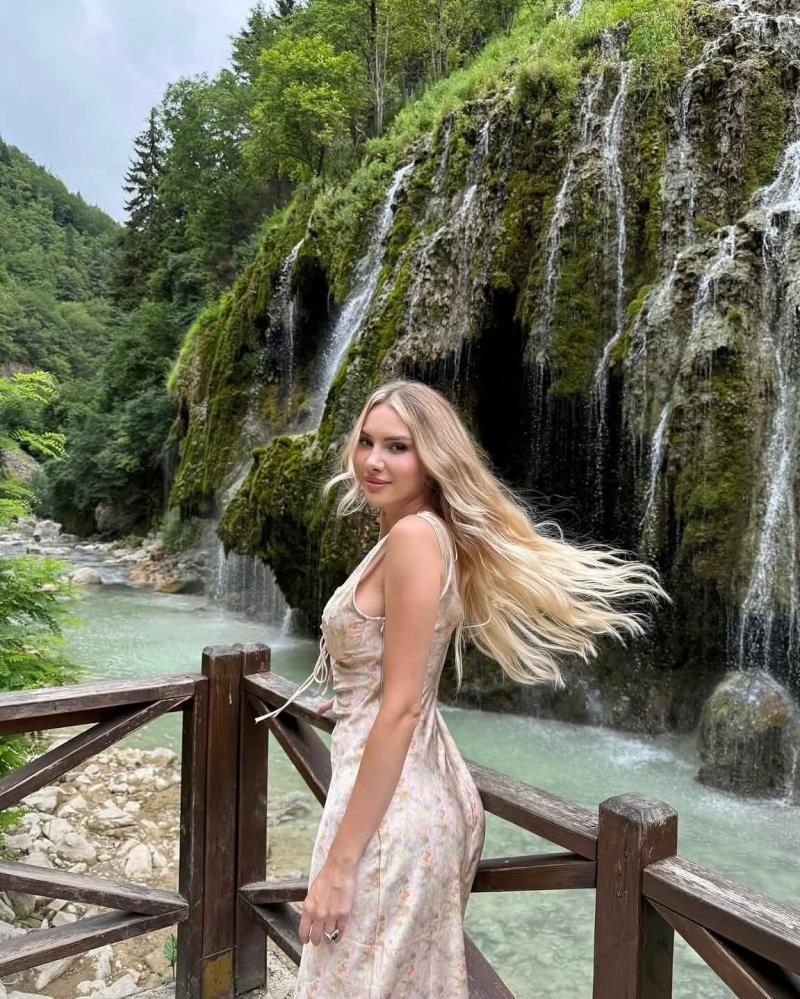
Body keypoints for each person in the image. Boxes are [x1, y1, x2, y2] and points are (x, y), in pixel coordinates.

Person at [255, 379, 669, 997]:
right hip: (408, 791)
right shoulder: (420, 534)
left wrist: (339, 866)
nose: (373, 460)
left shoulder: (414, 539)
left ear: (433, 458)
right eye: (366, 442)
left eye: (398, 447)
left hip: (389, 814)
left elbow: (401, 708)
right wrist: (350, 696)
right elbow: (395, 676)